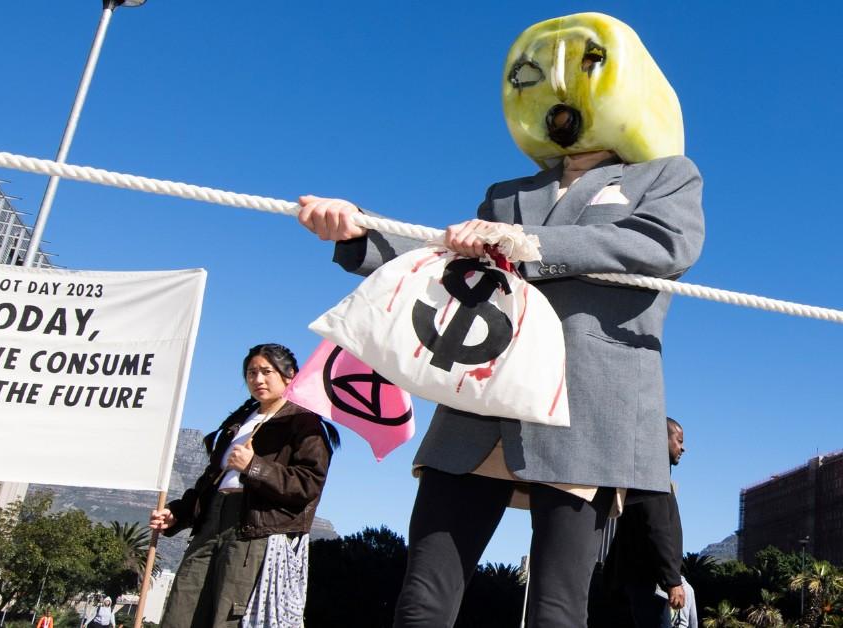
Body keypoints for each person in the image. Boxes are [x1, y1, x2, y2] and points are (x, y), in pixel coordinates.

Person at [298, 12, 704, 628]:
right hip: (479, 403)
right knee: (423, 596)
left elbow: (664, 247)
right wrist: (359, 235)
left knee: (557, 607)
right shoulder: (507, 192)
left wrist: (533, 243)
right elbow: (446, 263)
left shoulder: (668, 177)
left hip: (586, 407)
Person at [149, 343, 340, 628]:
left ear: (290, 376)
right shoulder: (238, 423)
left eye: (267, 372)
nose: (258, 380)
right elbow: (209, 480)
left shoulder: (305, 423)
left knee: (228, 615)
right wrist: (178, 512)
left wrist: (254, 467)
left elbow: (308, 484)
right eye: (251, 373)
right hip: (210, 523)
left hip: (254, 530)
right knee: (181, 610)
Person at [605, 418, 698, 628]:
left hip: (641, 583)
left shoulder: (646, 477)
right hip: (646, 584)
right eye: (679, 440)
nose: (683, 447)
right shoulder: (652, 480)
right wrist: (672, 582)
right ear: (660, 440)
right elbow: (657, 530)